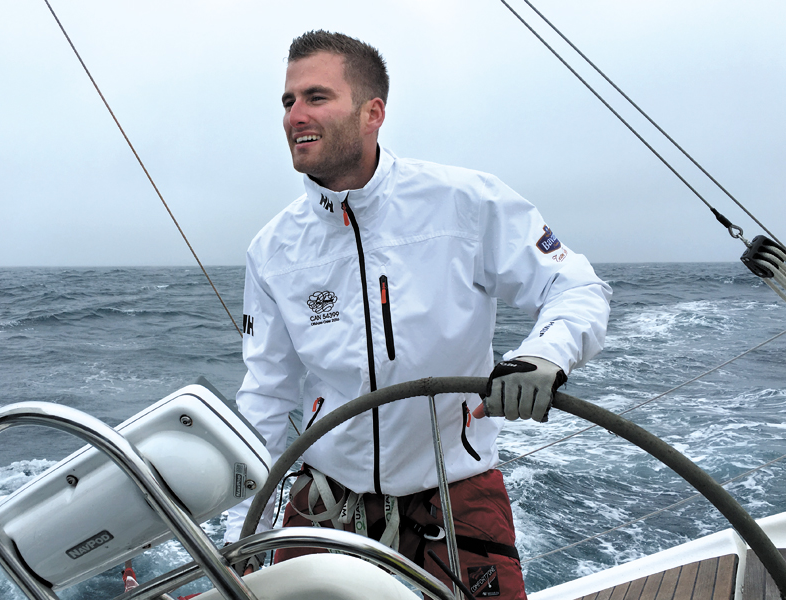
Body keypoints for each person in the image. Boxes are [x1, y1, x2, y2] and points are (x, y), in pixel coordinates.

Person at [223, 30, 612, 599]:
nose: (294, 115)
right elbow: (265, 396)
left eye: (316, 97)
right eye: (288, 101)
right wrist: (243, 539)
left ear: (372, 112)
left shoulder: (467, 202)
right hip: (328, 501)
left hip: (456, 490)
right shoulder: (273, 250)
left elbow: (575, 285)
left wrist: (544, 355)